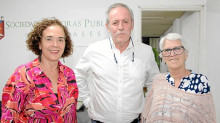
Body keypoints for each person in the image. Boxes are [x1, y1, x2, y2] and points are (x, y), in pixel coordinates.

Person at [74, 3, 159, 123]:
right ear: (107, 27)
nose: (121, 27)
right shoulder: (94, 50)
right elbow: (79, 74)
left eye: (125, 21)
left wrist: (147, 105)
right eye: (115, 22)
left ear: (132, 24)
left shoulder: (146, 51)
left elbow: (154, 81)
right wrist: (87, 101)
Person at [1, 18, 78, 122]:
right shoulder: (23, 74)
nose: (55, 44)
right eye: (49, 39)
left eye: (60, 39)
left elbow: (72, 116)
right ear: (39, 44)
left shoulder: (69, 74)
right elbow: (8, 117)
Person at [141, 33, 216, 123]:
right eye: (167, 50)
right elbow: (148, 114)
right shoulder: (158, 81)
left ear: (186, 54)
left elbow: (207, 118)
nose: (172, 54)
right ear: (163, 57)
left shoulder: (200, 81)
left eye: (177, 49)